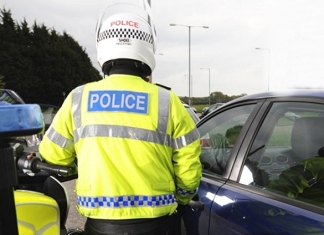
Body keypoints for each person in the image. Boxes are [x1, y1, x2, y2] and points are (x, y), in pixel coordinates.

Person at [38, 1, 202, 234]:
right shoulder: (167, 100)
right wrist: (183, 198)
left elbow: (53, 155)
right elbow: (189, 164)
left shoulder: (78, 98)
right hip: (159, 224)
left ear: (102, 51)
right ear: (148, 50)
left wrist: (82, 158)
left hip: (101, 225)